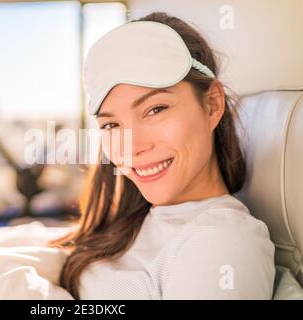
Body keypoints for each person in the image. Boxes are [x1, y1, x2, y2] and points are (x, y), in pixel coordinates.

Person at [48, 12, 275, 300]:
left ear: (212, 105)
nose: (132, 147)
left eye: (155, 110)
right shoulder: (138, 218)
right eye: (112, 124)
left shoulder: (220, 243)